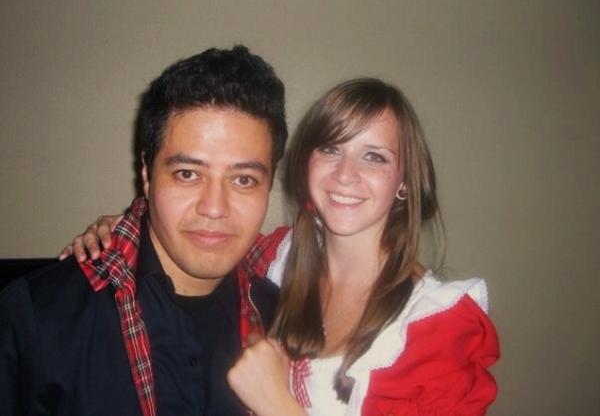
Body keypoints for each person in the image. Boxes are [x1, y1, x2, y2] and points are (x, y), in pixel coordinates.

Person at [60, 79, 500, 415]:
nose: (345, 175)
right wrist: (127, 226)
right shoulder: (277, 259)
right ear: (306, 164)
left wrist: (279, 406)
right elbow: (200, 236)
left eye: (374, 156)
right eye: (331, 149)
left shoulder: (436, 328)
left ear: (404, 182)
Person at [0, 45, 288, 416]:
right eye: (188, 174)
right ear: (147, 176)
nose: (214, 207)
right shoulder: (39, 320)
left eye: (244, 179)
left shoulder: (283, 319)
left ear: (269, 185)